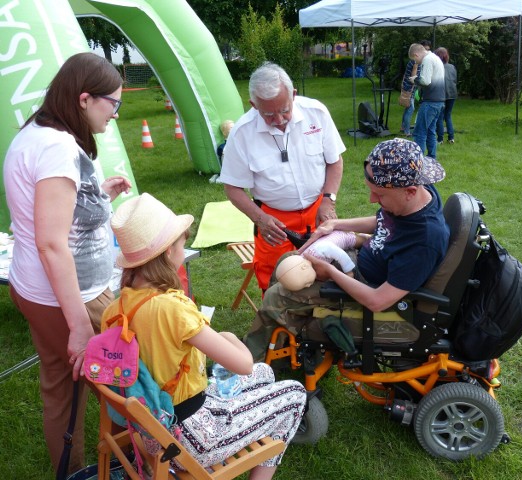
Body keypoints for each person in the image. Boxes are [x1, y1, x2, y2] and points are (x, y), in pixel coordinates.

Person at [104, 193, 306, 480]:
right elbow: (242, 364)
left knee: (265, 373)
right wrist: (228, 337)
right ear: (166, 253)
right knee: (294, 394)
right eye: (181, 244)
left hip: (157, 419)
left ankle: (256, 419)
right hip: (192, 437)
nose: (182, 250)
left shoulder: (115, 308)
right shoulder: (172, 307)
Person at [2, 52, 131, 474]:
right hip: (72, 297)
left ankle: (71, 470)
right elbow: (52, 244)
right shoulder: (57, 148)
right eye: (113, 103)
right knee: (120, 385)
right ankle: (130, 462)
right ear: (84, 99)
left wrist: (100, 195)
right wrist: (78, 325)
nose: (115, 113)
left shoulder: (37, 135)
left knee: (60, 386)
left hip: (41, 290)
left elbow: (54, 215)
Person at [245, 138, 450, 360]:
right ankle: (283, 345)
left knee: (278, 296)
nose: (373, 200)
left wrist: (330, 272)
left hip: (363, 285)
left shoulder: (425, 241)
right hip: (359, 258)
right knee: (289, 259)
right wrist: (336, 224)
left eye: (380, 195)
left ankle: (248, 364)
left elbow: (377, 300)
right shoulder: (415, 194)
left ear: (410, 191)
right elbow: (383, 222)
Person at [219, 62, 346, 291]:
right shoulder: (241, 133)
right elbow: (233, 188)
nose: (279, 119)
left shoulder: (316, 113)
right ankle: (277, 324)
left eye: (284, 109)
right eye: (269, 114)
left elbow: (335, 161)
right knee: (275, 282)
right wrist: (260, 219)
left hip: (318, 212)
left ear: (293, 95)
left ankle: (313, 325)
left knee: (324, 273)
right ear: (254, 105)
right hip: (273, 222)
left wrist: (328, 199)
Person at [408, 43, 445, 159]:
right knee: (430, 131)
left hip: (430, 102)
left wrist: (415, 79)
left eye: (414, 59)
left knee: (419, 131)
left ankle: (418, 161)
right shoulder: (435, 57)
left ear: (416, 54)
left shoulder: (427, 60)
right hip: (439, 101)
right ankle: (431, 158)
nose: (416, 62)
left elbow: (425, 81)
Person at [434, 47, 458, 145]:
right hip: (452, 94)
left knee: (440, 117)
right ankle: (451, 138)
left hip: (441, 94)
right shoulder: (452, 67)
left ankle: (440, 139)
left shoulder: (436, 67)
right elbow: (455, 79)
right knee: (448, 116)